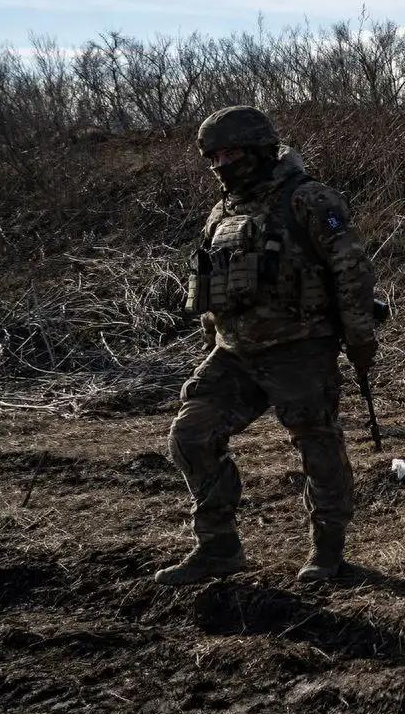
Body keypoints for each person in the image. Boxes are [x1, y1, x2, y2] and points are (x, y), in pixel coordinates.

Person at [158, 106, 379, 585]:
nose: (222, 163)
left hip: (300, 347)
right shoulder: (224, 211)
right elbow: (214, 285)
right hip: (235, 353)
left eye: (232, 152)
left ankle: (328, 551)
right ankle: (218, 548)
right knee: (190, 435)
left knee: (316, 442)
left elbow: (352, 270)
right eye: (213, 155)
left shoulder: (308, 199)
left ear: (260, 148)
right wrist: (213, 340)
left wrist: (360, 338)